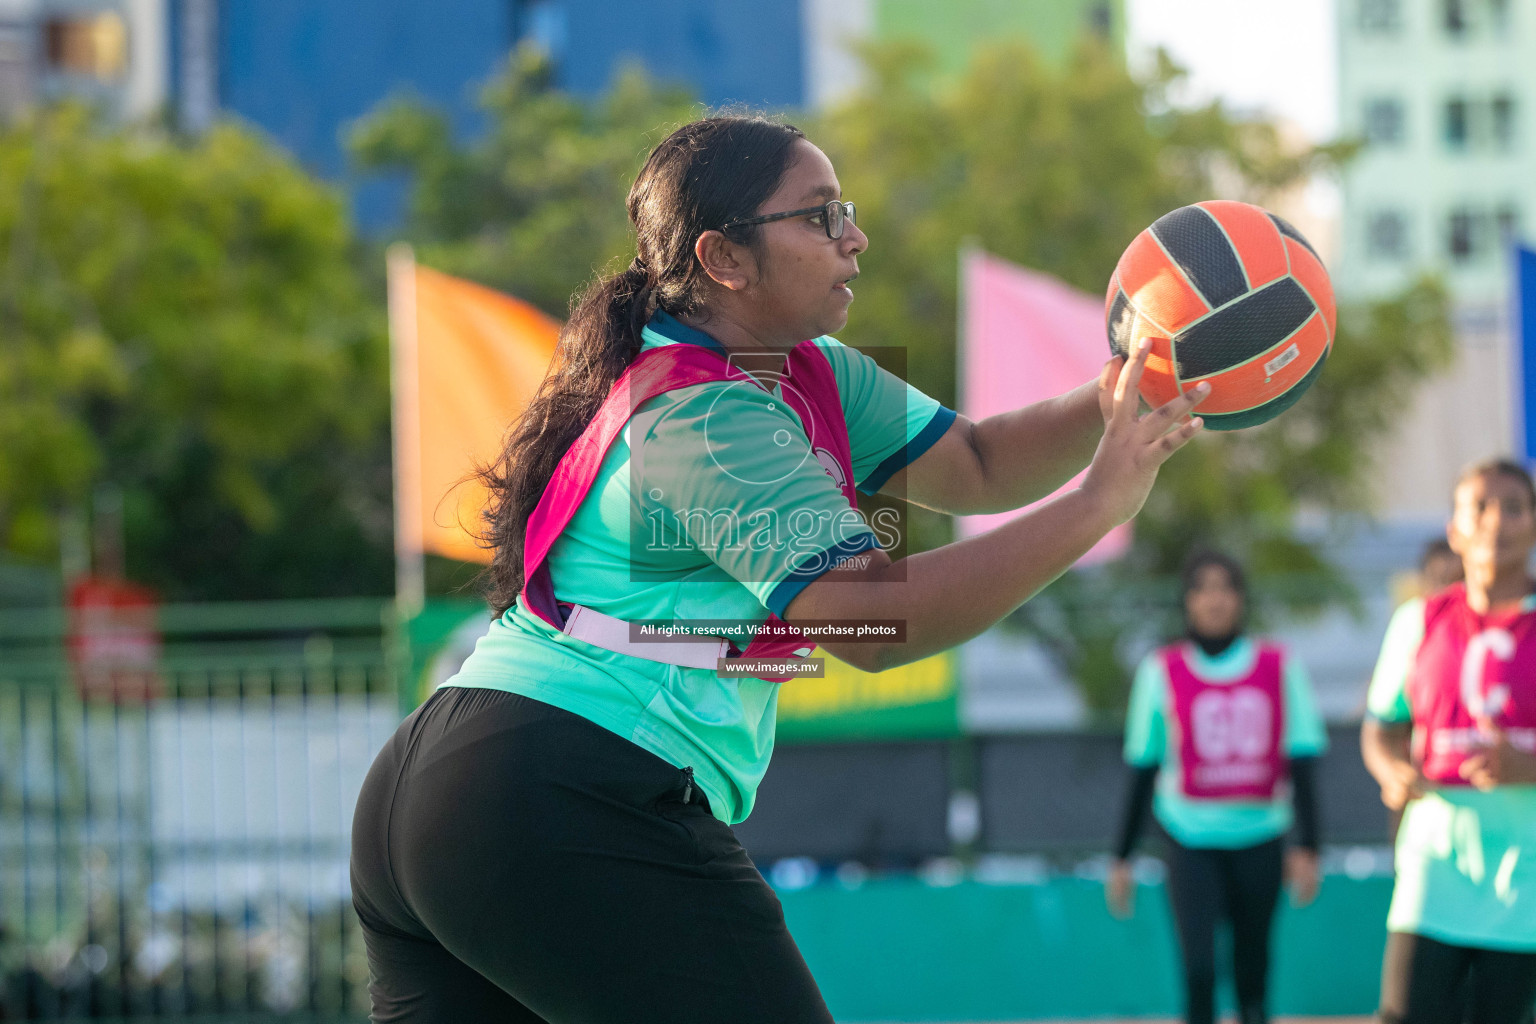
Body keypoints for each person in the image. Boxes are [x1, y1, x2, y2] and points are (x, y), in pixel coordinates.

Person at [350, 114, 1208, 1023]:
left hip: (458, 789)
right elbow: (872, 626)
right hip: (560, 793)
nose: (855, 236)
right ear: (725, 258)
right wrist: (1095, 506)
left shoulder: (803, 370)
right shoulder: (705, 418)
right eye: (819, 214)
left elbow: (982, 462)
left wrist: (1129, 382)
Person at [1107, 549, 1327, 1024]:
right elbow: (1143, 768)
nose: (1214, 599)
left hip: (1261, 837)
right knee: (1200, 971)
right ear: (1187, 601)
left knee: (1252, 973)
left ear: (1241, 599)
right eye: (1202, 588)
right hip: (1189, 841)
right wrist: (1121, 857)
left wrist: (1309, 846)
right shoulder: (1161, 671)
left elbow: (1302, 758)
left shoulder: (1278, 665)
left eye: (1226, 587)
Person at [1362, 458, 1536, 1024]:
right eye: (1479, 507)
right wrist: (1392, 770)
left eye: (1514, 507)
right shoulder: (1419, 621)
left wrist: (1527, 765)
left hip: (1525, 889)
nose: (1496, 522)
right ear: (1455, 529)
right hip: (1433, 876)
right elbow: (1382, 726)